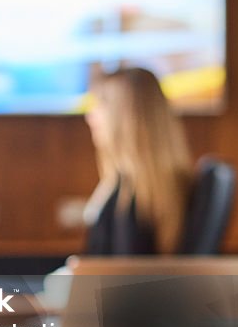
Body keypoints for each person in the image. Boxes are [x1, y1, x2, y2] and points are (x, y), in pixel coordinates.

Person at [82, 67, 194, 254]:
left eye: (101, 104)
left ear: (126, 116)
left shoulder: (131, 199)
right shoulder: (128, 185)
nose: (90, 116)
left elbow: (121, 274)